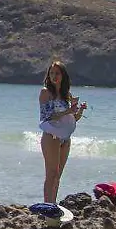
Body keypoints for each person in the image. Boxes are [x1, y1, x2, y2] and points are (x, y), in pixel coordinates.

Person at [37, 61, 87, 207]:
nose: (54, 76)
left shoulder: (66, 95)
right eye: (51, 73)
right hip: (51, 136)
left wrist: (79, 110)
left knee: (58, 175)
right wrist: (68, 111)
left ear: (63, 75)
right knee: (51, 174)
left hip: (65, 138)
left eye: (57, 73)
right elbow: (47, 116)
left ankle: (53, 205)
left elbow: (73, 119)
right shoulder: (45, 92)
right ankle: (48, 206)